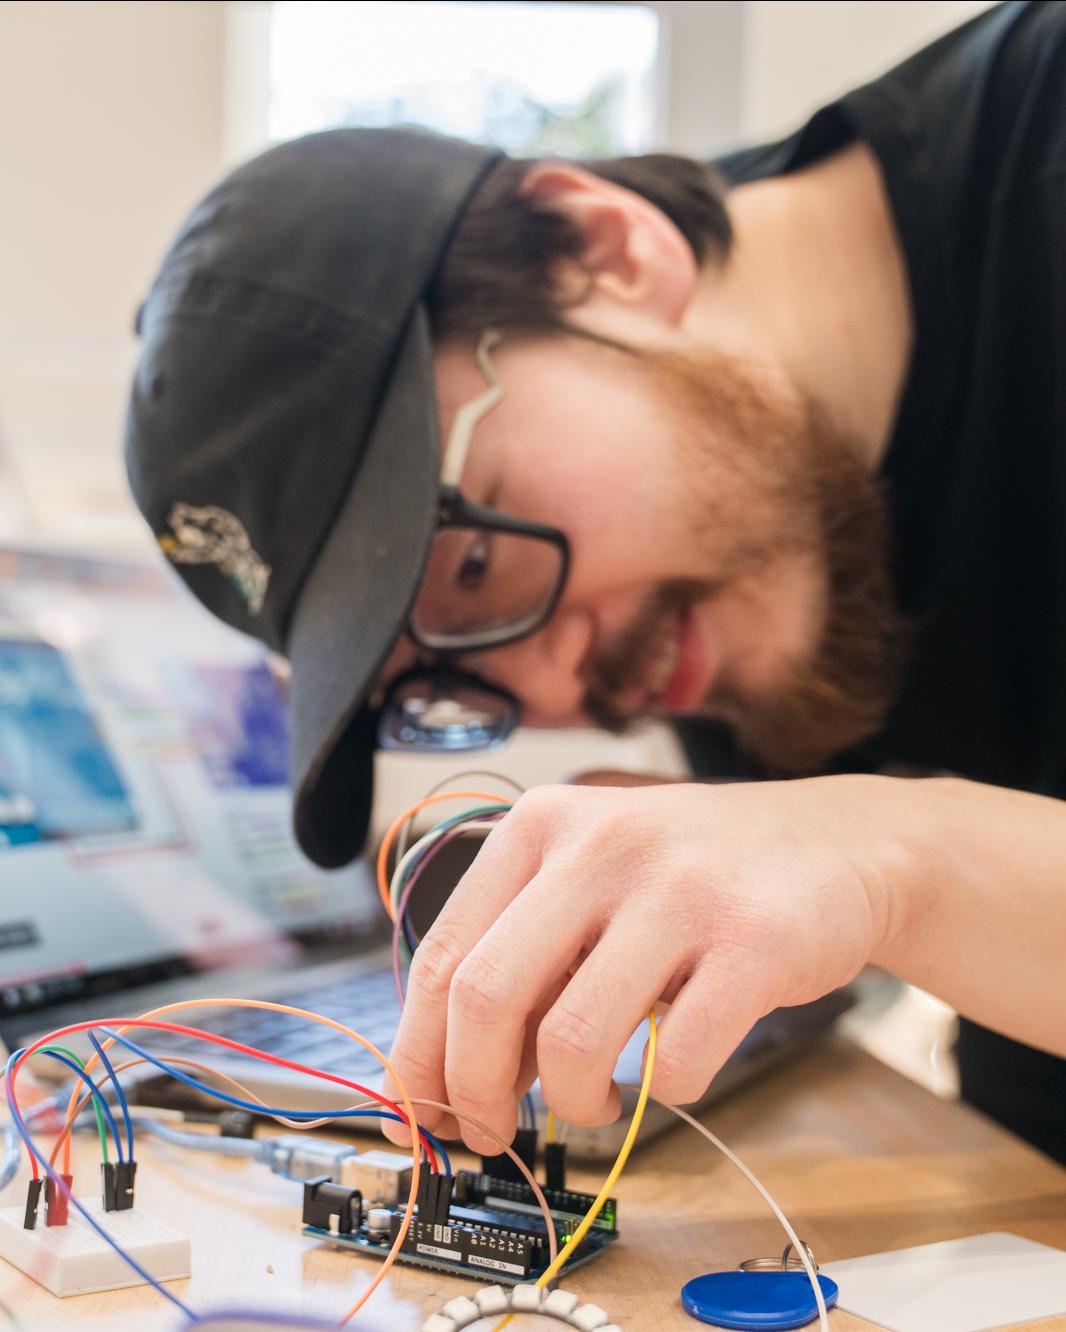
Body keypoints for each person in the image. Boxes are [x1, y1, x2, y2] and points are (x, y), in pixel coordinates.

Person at [125, 0, 1066, 1165]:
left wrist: (895, 862)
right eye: (448, 677)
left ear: (603, 250)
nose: (564, 691)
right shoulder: (731, 565)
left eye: (476, 562)